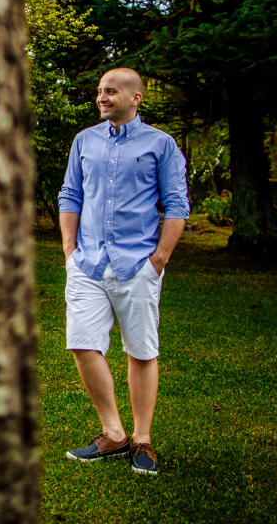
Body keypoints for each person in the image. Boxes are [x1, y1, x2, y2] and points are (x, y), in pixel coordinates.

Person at [57, 67, 189, 476]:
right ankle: (113, 433)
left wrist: (159, 259)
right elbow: (70, 194)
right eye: (100, 91)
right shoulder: (84, 141)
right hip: (88, 263)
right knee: (82, 343)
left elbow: (177, 204)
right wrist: (69, 251)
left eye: (111, 91)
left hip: (137, 265)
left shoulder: (161, 144)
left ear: (135, 98)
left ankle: (142, 439)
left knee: (141, 351)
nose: (102, 97)